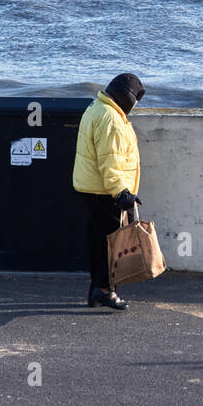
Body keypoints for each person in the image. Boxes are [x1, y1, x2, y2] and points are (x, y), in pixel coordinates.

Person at [72, 73, 146, 311]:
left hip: (92, 187)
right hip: (105, 190)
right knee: (109, 244)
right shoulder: (111, 119)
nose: (135, 106)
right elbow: (110, 163)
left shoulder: (98, 108)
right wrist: (122, 193)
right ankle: (105, 291)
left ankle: (96, 290)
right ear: (127, 97)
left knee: (98, 240)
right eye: (135, 100)